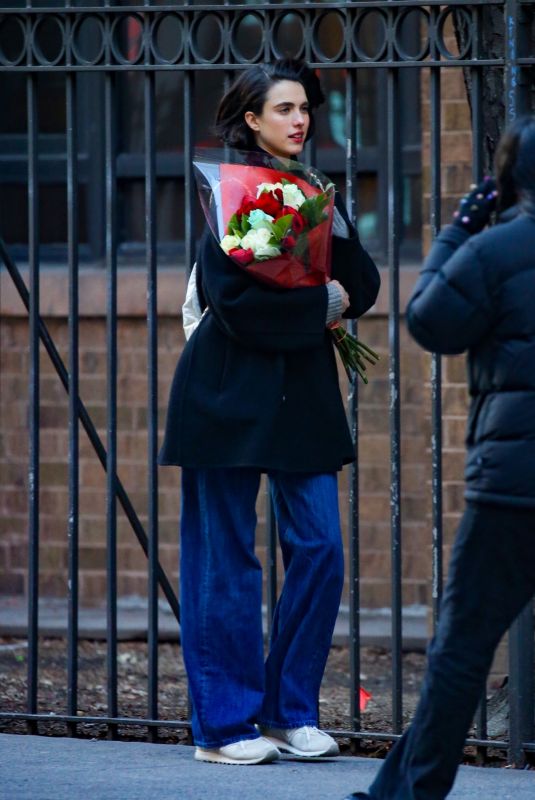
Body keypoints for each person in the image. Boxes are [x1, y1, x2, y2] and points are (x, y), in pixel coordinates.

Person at [159, 60, 381, 766]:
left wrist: (330, 235)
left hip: (301, 399)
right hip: (225, 394)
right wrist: (320, 305)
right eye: (282, 109)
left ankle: (289, 710)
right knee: (226, 563)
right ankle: (223, 727)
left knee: (319, 550)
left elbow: (365, 282)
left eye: (303, 108)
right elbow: (240, 306)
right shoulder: (232, 194)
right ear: (251, 120)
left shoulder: (314, 190)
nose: (299, 119)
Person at [343, 115, 535, 799]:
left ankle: (409, 794)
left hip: (512, 488)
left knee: (462, 646)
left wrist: (457, 231)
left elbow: (428, 319)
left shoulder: (494, 252)